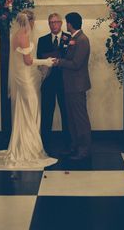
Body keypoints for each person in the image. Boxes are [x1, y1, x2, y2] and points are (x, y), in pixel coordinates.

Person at [0, 10, 57, 169]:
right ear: (29, 21)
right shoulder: (23, 36)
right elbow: (28, 61)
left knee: (24, 110)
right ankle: (28, 149)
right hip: (25, 80)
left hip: (25, 77)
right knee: (31, 111)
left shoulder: (17, 34)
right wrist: (46, 61)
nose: (34, 24)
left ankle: (23, 144)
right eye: (34, 21)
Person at [56, 12, 92, 161]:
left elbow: (76, 64)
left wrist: (60, 62)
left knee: (80, 119)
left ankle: (84, 149)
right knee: (71, 119)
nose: (66, 25)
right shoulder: (73, 38)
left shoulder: (82, 40)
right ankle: (75, 146)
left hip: (77, 85)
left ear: (70, 24)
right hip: (69, 85)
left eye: (66, 22)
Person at [37, 13, 71, 153]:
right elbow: (39, 59)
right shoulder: (42, 39)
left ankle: (68, 142)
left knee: (66, 112)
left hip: (65, 80)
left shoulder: (68, 38)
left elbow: (69, 57)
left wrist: (55, 58)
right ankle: (45, 143)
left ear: (61, 23)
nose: (54, 24)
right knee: (47, 112)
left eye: (56, 22)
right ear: (48, 24)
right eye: (51, 22)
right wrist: (48, 61)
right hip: (48, 81)